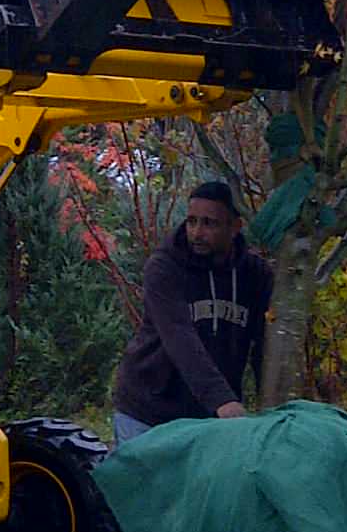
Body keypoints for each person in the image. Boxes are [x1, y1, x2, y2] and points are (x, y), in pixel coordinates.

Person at [111, 180, 275, 443]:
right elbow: (180, 338)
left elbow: (265, 346)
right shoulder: (164, 267)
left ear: (235, 227)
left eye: (209, 223)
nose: (197, 232)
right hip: (148, 410)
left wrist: (273, 408)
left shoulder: (255, 275)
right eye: (192, 221)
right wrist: (222, 400)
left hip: (207, 417)